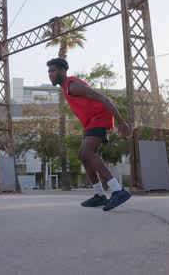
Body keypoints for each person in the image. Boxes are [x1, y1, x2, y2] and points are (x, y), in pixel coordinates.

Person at [46, 58, 132, 211]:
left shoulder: (72, 85)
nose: (50, 74)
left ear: (63, 71)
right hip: (92, 122)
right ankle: (99, 195)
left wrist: (121, 122)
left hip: (100, 118)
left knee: (87, 153)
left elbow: (104, 98)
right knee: (82, 155)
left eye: (53, 71)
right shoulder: (67, 87)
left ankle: (118, 190)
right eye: (49, 72)